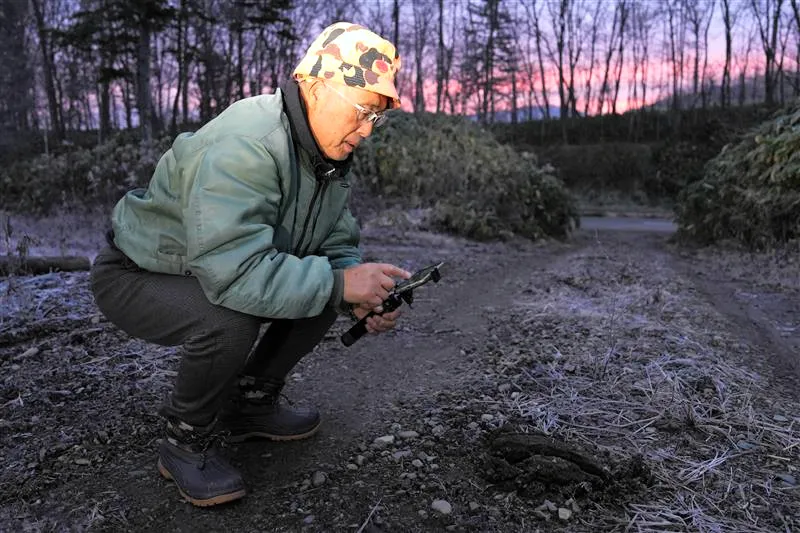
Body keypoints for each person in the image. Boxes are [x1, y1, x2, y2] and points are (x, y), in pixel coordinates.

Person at [90, 21, 410, 507]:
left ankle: (250, 408)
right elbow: (234, 272)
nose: (366, 131)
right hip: (138, 273)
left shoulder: (324, 155)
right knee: (231, 315)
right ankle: (184, 441)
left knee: (324, 288)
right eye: (363, 109)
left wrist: (360, 298)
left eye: (377, 117)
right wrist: (342, 283)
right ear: (317, 86)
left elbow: (336, 241)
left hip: (204, 272)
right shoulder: (249, 141)